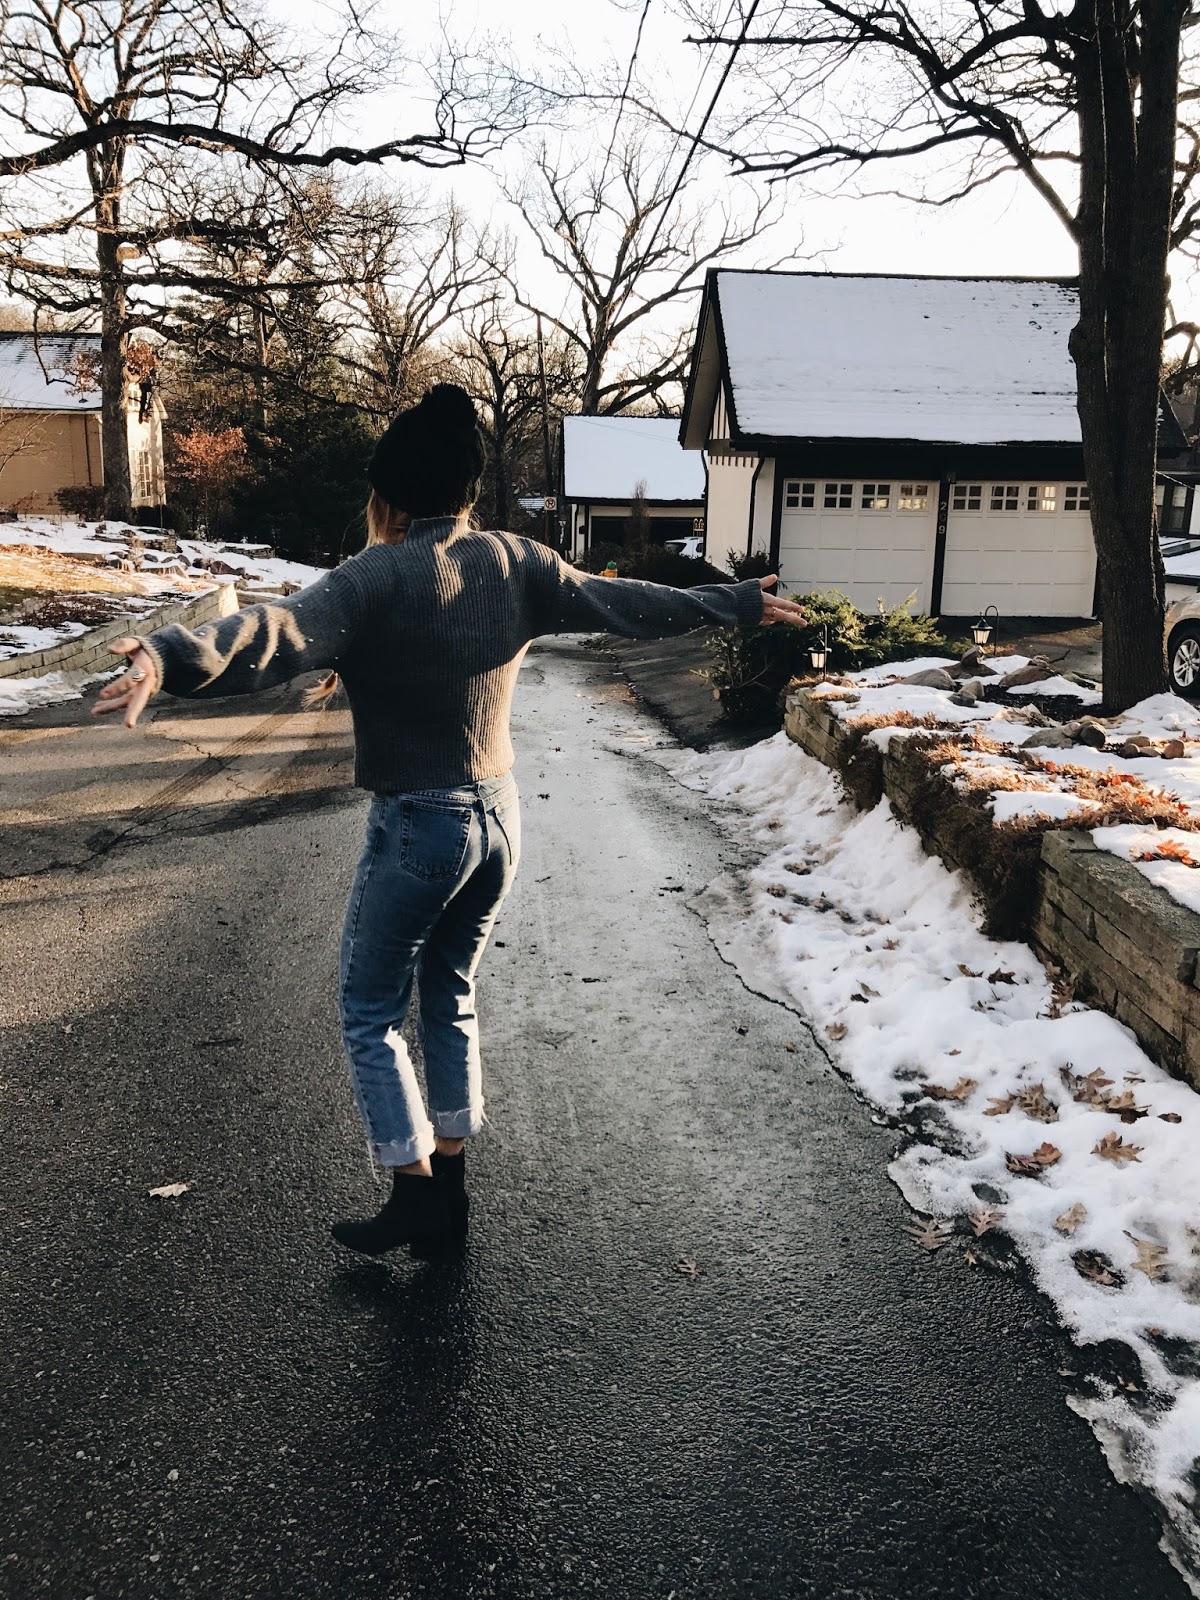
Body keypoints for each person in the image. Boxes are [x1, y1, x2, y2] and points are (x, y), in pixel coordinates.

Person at [94, 383, 805, 1259]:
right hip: (500, 818)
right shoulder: (518, 560)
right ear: (466, 487)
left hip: (421, 827)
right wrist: (733, 602)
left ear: (388, 491)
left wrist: (166, 657)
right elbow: (621, 602)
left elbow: (273, 632)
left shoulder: (372, 578)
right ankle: (451, 1188)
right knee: (451, 991)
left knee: (368, 1009)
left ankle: (414, 1190)